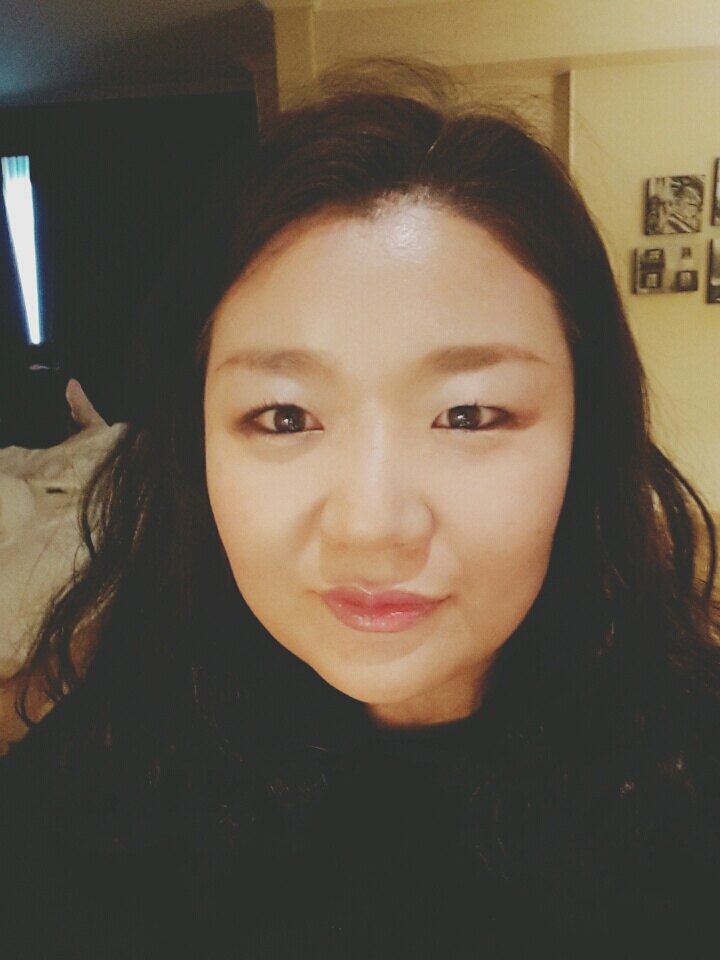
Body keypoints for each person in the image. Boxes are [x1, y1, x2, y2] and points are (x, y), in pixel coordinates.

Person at [1, 60, 719, 958]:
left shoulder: (687, 796)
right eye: (284, 416)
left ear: (588, 435)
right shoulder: (91, 796)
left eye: (469, 414)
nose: (371, 528)